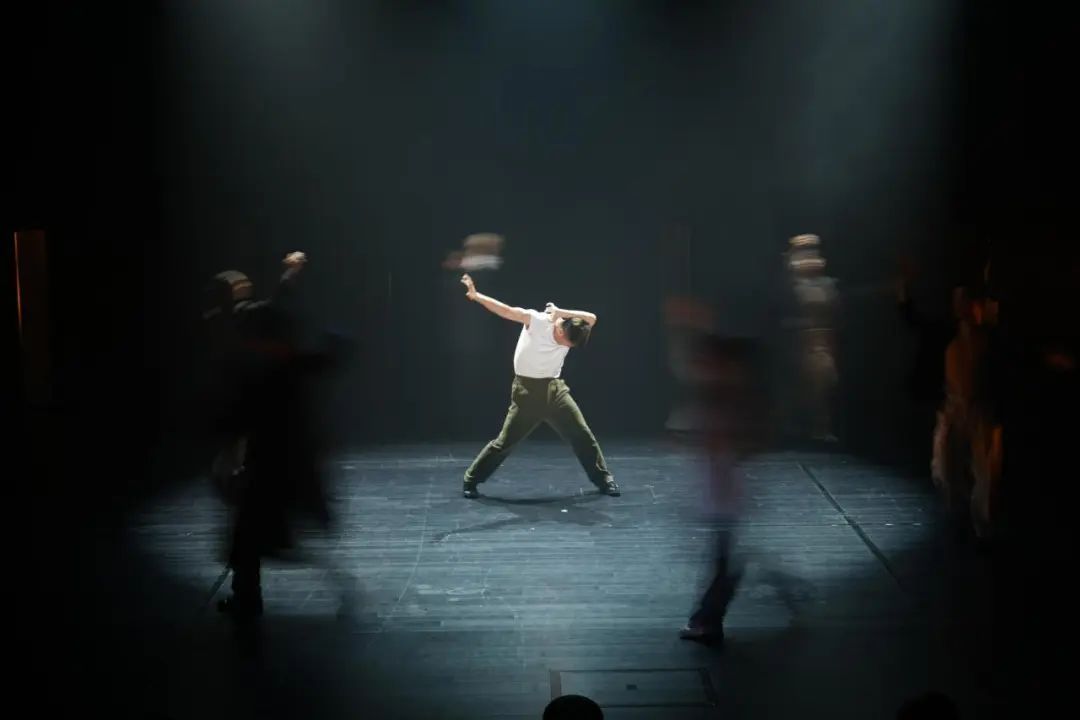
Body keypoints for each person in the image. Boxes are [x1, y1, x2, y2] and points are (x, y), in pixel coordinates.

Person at [210, 251, 334, 620]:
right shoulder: (242, 330)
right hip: (259, 449)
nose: (245, 289)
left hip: (259, 450)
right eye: (239, 286)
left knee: (246, 529)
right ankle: (247, 594)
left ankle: (247, 596)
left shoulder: (246, 336)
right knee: (247, 529)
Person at [458, 273, 619, 499]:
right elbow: (505, 310)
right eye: (567, 343)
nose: (567, 347)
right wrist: (476, 296)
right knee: (504, 443)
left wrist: (560, 311)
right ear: (560, 331)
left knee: (582, 435)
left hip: (555, 391)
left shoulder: (570, 326)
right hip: (527, 392)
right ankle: (471, 479)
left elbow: (591, 318)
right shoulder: (537, 321)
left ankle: (604, 480)